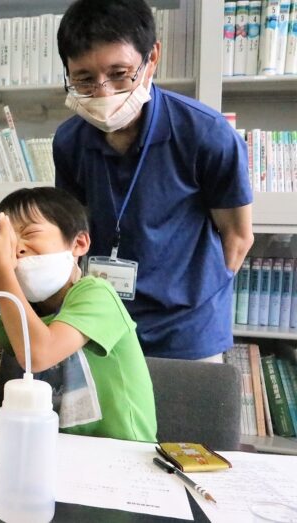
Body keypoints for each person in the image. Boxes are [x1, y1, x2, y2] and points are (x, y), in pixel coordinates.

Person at [53, 0, 253, 361]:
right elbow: (69, 236)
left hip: (187, 333)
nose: (104, 93)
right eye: (84, 79)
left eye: (119, 73)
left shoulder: (206, 134)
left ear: (152, 58)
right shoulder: (69, 142)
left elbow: (238, 238)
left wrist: (194, 298)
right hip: (102, 325)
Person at [0, 187, 156, 442]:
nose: (17, 249)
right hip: (61, 450)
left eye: (30, 233)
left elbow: (39, 354)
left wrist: (1, 270)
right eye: (10, 241)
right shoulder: (29, 314)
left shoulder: (97, 293)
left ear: (79, 243)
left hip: (123, 453)